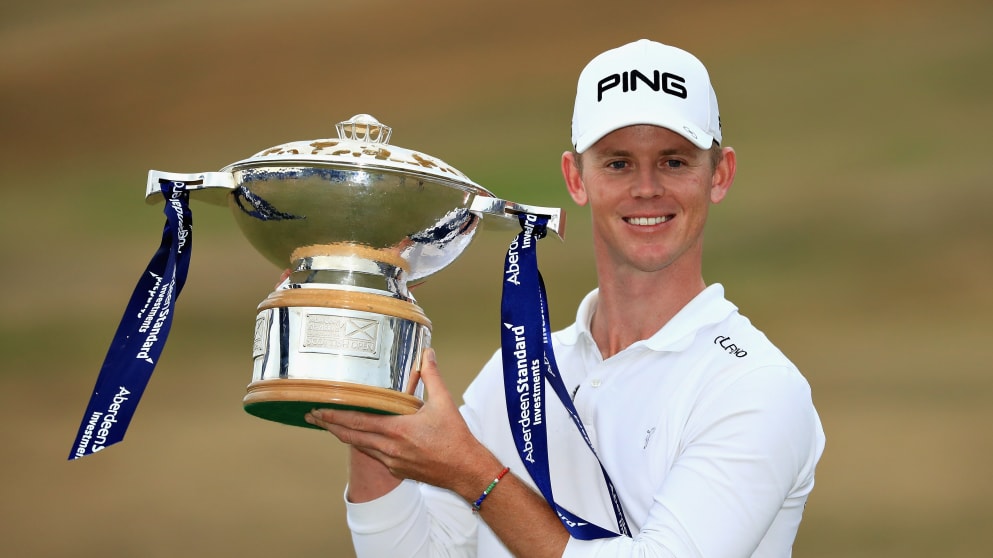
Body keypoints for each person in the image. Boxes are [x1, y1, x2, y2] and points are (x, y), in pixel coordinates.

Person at [305, 38, 826, 557]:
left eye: (674, 161)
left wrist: (473, 473)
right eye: (618, 163)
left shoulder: (757, 387)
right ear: (576, 178)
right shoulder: (518, 371)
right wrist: (371, 407)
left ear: (721, 174)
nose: (646, 189)